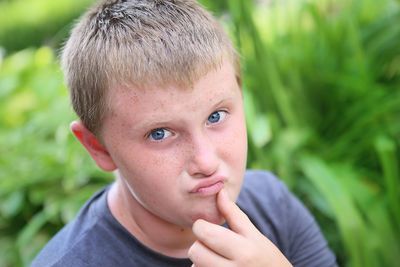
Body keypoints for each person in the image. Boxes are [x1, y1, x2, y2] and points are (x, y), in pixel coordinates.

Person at [31, 0, 337, 266]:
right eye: (160, 134)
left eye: (216, 116)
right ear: (99, 148)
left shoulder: (273, 206)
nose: (205, 161)